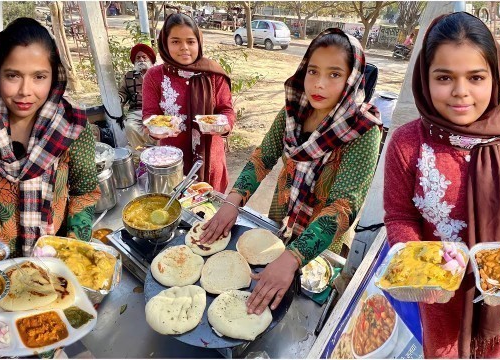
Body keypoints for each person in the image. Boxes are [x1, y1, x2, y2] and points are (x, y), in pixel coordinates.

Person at [383, 12, 500, 358]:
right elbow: (399, 215)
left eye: (476, 77)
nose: (461, 92)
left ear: (494, 76)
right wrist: (423, 269)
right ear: (425, 78)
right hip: (440, 297)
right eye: (444, 77)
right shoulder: (407, 144)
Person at [200, 28, 382, 316]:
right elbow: (263, 158)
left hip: (321, 244)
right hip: (279, 219)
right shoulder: (293, 112)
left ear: (352, 78)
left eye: (334, 74)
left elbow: (343, 206)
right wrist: (231, 202)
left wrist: (293, 258)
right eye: (313, 71)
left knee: (297, 310)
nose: (318, 84)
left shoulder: (363, 130)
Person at [0, 18, 100, 258]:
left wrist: (72, 249)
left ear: (55, 77)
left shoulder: (72, 129)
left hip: (50, 260)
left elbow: (84, 193)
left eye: (39, 77)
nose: (25, 91)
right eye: (13, 76)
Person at [142, 13, 235, 192]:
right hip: (171, 161)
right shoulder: (154, 76)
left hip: (210, 157)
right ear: (165, 43)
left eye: (191, 42)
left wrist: (224, 126)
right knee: (175, 208)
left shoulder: (213, 74)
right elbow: (149, 115)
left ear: (198, 43)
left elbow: (227, 110)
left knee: (209, 210)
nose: (184, 48)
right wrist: (154, 131)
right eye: (176, 41)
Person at [119, 43, 156, 148]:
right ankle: (140, 153)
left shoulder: (156, 74)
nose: (141, 60)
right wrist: (118, 101)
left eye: (144, 57)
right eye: (138, 57)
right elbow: (123, 93)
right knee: (130, 126)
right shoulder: (129, 76)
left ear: (150, 59)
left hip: (155, 111)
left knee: (159, 127)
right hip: (136, 111)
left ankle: (157, 151)